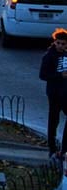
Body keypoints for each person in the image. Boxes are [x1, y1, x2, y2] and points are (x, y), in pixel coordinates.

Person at [39, 28, 67, 160]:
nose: (61, 46)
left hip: (66, 92)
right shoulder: (49, 56)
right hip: (54, 93)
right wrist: (59, 75)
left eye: (64, 44)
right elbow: (43, 75)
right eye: (59, 43)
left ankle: (64, 148)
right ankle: (52, 147)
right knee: (53, 119)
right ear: (55, 42)